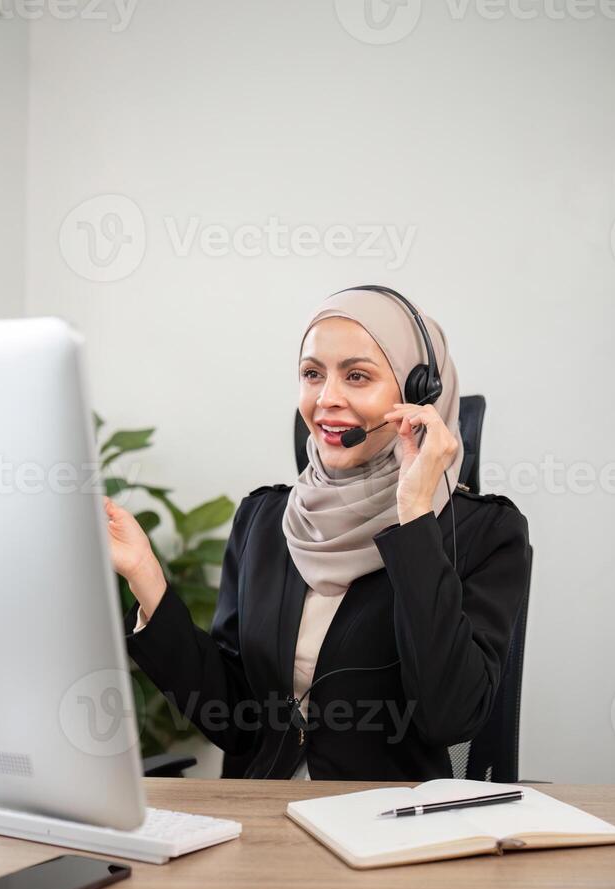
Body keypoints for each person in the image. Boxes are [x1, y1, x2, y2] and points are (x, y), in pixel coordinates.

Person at [104, 287, 530, 780]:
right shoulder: (265, 521)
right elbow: (235, 721)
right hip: (265, 825)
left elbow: (449, 716)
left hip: (388, 828)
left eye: (357, 376)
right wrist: (146, 577)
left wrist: (414, 515)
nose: (327, 399)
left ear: (419, 396)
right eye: (312, 374)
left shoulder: (485, 533)